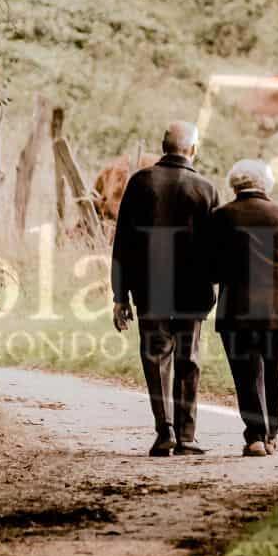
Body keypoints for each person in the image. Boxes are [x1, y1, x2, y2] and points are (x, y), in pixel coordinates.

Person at [111, 121, 219, 457]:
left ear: (163, 146)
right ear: (193, 150)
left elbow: (123, 243)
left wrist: (120, 295)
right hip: (193, 290)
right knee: (189, 359)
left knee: (155, 357)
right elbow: (216, 249)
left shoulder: (140, 182)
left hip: (149, 287)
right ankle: (187, 437)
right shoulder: (206, 189)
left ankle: (165, 431)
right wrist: (215, 286)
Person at [210, 159, 278, 457]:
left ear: (234, 184)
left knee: (245, 375)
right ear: (266, 184)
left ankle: (255, 437)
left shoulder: (220, 216)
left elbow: (211, 267)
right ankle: (272, 435)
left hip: (236, 309)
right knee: (274, 371)